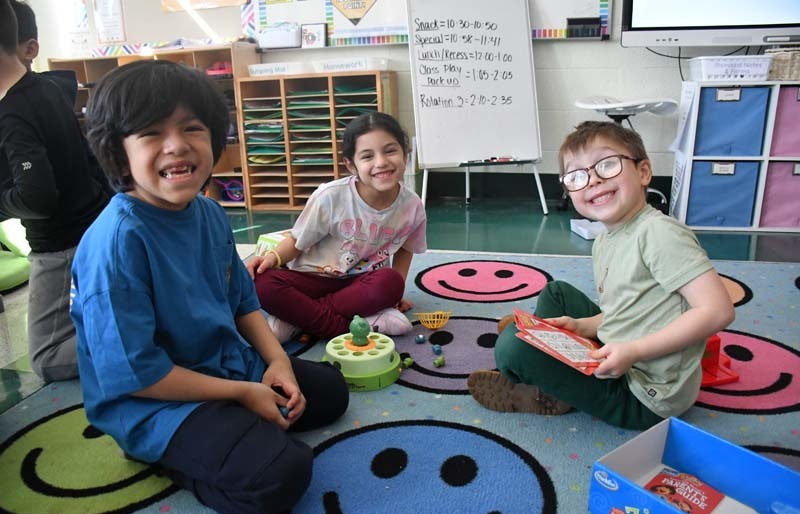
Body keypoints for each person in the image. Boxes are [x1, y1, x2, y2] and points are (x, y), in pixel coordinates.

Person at [71, 60, 349, 514]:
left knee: (331, 392)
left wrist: (278, 361)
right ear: (119, 154)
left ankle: (235, 421)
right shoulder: (117, 243)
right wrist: (241, 394)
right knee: (280, 474)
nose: (176, 145)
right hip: (152, 402)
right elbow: (139, 375)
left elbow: (243, 301)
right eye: (151, 133)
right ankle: (166, 459)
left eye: (192, 128)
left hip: (221, 365)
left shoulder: (209, 212)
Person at [467, 121, 735, 430]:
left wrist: (633, 350)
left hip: (645, 395)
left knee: (512, 347)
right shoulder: (607, 238)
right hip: (623, 351)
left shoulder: (660, 234)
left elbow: (717, 311)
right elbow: (626, 311)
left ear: (644, 172)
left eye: (607, 165)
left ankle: (543, 390)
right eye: (577, 175)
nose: (593, 180)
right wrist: (582, 326)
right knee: (556, 294)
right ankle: (550, 367)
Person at [247, 111, 427, 342]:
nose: (381, 162)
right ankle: (356, 324)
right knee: (261, 282)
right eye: (367, 156)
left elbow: (406, 248)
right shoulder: (330, 197)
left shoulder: (412, 207)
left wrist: (395, 294)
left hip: (358, 284)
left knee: (391, 282)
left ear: (406, 153)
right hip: (311, 279)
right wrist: (272, 258)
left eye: (390, 150)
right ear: (351, 165)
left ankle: (299, 319)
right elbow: (297, 241)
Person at [0, 0, 108, 381]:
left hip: (60, 245)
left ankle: (152, 343)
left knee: (47, 357)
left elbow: (38, 198)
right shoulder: (46, 88)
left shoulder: (12, 111)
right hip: (91, 222)